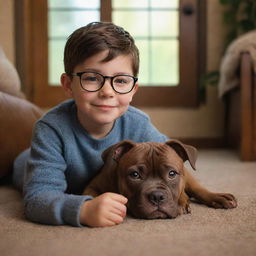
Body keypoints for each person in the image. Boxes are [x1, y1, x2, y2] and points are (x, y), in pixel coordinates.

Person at [13, 21, 168, 227]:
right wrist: (84, 209)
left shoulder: (138, 124)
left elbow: (170, 161)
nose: (107, 91)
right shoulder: (51, 129)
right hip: (24, 164)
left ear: (133, 90)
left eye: (121, 81)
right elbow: (36, 200)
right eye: (92, 78)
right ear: (68, 85)